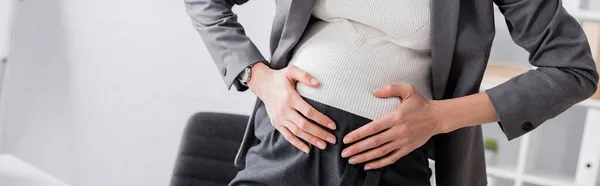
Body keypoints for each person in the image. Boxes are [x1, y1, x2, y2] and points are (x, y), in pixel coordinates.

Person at [183, 0, 599, 185]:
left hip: (391, 165)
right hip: (284, 150)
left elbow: (572, 69)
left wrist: (438, 118)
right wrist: (259, 78)